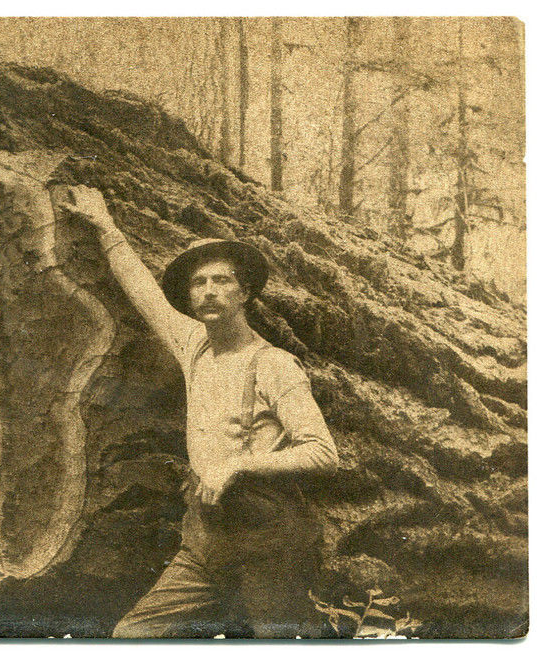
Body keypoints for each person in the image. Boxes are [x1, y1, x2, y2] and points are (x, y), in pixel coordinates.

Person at [53, 186, 339, 638]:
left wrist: (237, 465)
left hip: (268, 544)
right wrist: (105, 226)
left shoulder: (274, 364)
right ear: (188, 298)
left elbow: (323, 452)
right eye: (198, 283)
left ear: (245, 292)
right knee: (133, 636)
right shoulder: (194, 346)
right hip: (206, 539)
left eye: (222, 281)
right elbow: (143, 292)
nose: (209, 292)